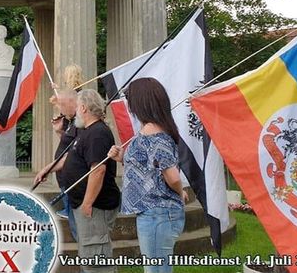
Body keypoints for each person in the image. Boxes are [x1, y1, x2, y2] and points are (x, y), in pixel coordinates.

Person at [107, 77, 188, 273]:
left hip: (157, 213)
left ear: (142, 102)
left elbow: (173, 177)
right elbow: (150, 169)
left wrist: (180, 192)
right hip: (154, 213)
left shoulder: (155, 134)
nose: (130, 104)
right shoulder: (150, 131)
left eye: (131, 99)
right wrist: (123, 158)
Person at [35, 89, 120, 273]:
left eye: (77, 107)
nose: (74, 111)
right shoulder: (84, 130)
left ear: (83, 108)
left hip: (95, 206)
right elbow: (68, 158)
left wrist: (87, 203)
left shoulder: (97, 133)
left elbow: (98, 170)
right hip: (83, 203)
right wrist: (46, 169)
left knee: (95, 256)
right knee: (89, 254)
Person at [38, 88, 79, 241]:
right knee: (74, 222)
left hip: (72, 180)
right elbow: (68, 144)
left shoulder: (79, 122)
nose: (60, 110)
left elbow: (72, 153)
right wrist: (59, 131)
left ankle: (84, 259)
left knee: (77, 225)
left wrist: (47, 169)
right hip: (64, 178)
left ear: (72, 102)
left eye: (62, 105)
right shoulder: (70, 121)